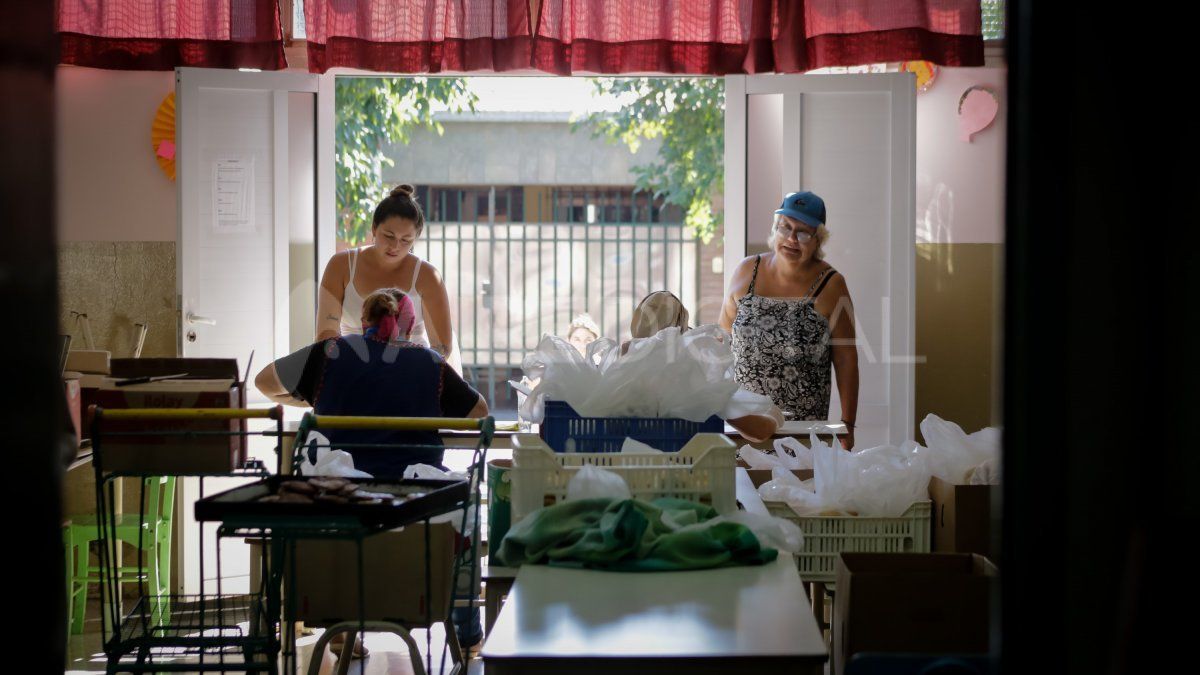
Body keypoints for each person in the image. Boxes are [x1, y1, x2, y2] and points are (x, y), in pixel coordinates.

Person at [255, 287, 487, 652]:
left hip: (340, 500)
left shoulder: (330, 352)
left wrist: (308, 397)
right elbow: (480, 412)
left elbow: (263, 382)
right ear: (409, 328)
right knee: (465, 517)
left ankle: (342, 627)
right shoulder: (429, 362)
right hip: (415, 509)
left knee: (346, 538)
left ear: (362, 321)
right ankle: (468, 636)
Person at [719, 191, 859, 450]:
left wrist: (847, 425)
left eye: (804, 233)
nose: (792, 239)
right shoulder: (745, 271)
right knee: (744, 489)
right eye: (786, 228)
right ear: (776, 229)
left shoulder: (832, 285)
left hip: (803, 432)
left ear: (818, 240)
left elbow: (845, 359)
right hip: (744, 428)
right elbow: (721, 341)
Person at [316, 184, 460, 371]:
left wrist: (407, 373)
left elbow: (442, 348)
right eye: (389, 236)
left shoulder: (428, 276)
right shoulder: (341, 265)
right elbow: (325, 335)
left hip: (410, 371)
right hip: (351, 367)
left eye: (405, 240)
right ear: (374, 228)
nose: (395, 246)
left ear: (415, 239)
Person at [623, 290, 783, 442]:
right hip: (690, 466)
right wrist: (775, 416)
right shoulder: (693, 379)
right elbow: (758, 431)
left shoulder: (618, 375)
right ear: (683, 331)